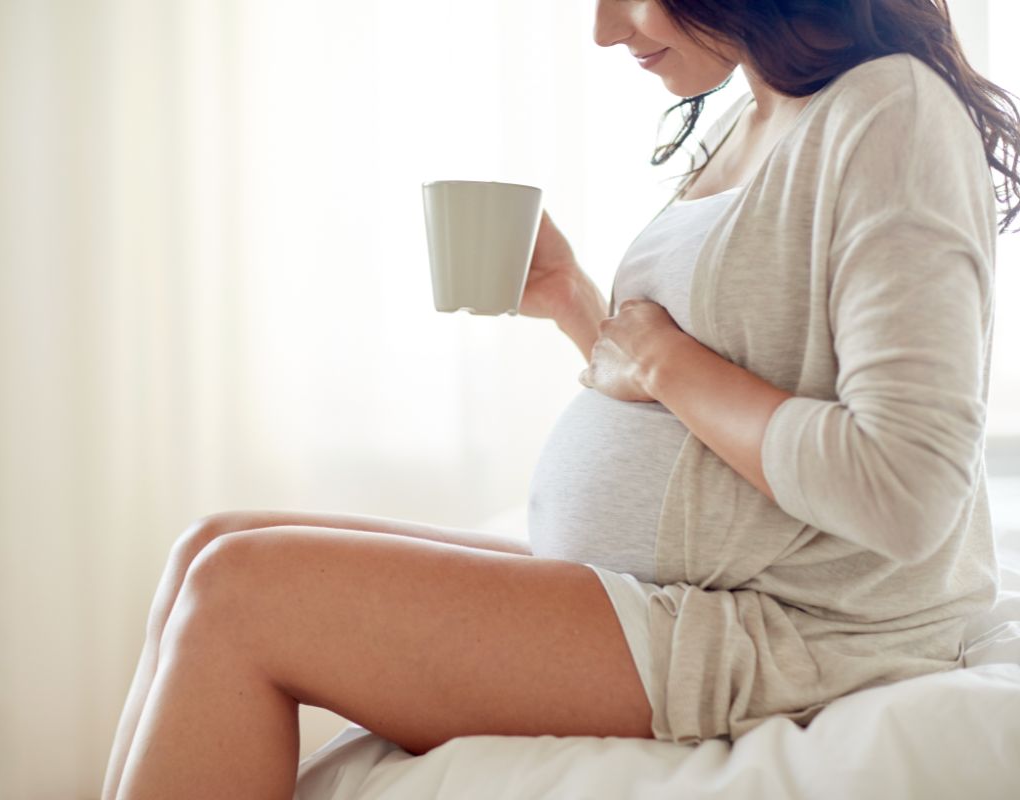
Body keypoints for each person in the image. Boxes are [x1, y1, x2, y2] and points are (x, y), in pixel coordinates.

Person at [103, 1, 1020, 797]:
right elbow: (707, 394)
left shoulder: (890, 112)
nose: (603, 30)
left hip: (785, 629)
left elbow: (906, 489)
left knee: (240, 592)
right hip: (671, 588)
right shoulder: (754, 112)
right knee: (208, 547)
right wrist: (576, 304)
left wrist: (661, 360)